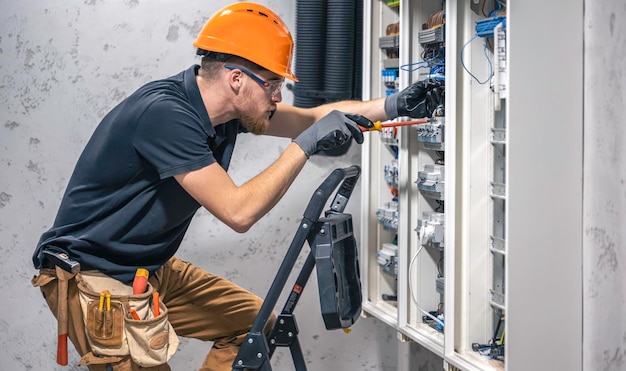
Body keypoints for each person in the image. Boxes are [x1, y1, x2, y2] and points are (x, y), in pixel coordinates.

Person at [31, 2, 442, 371]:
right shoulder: (165, 114)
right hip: (92, 278)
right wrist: (304, 148)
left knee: (251, 325)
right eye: (273, 83)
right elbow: (238, 211)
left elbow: (312, 116)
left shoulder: (226, 114)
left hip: (147, 266)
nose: (279, 95)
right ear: (236, 79)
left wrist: (395, 105)